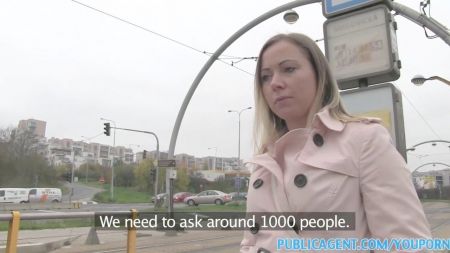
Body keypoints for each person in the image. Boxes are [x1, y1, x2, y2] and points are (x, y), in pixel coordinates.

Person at [240, 33, 431, 252]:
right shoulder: (264, 162)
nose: (275, 83)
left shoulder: (364, 140)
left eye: (289, 69)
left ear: (319, 75)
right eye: (265, 77)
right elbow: (251, 243)